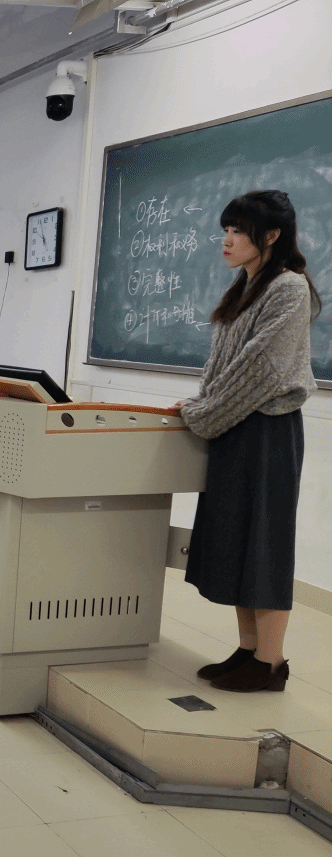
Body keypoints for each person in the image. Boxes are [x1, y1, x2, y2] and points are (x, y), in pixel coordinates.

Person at [177, 190, 320, 693]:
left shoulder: (289, 287)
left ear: (272, 235)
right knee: (237, 540)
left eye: (239, 230)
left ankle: (271, 663)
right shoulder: (246, 285)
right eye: (226, 229)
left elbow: (261, 368)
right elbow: (222, 366)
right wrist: (202, 405)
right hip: (234, 425)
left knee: (265, 543)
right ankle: (248, 651)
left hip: (267, 429)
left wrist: (200, 413)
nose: (227, 239)